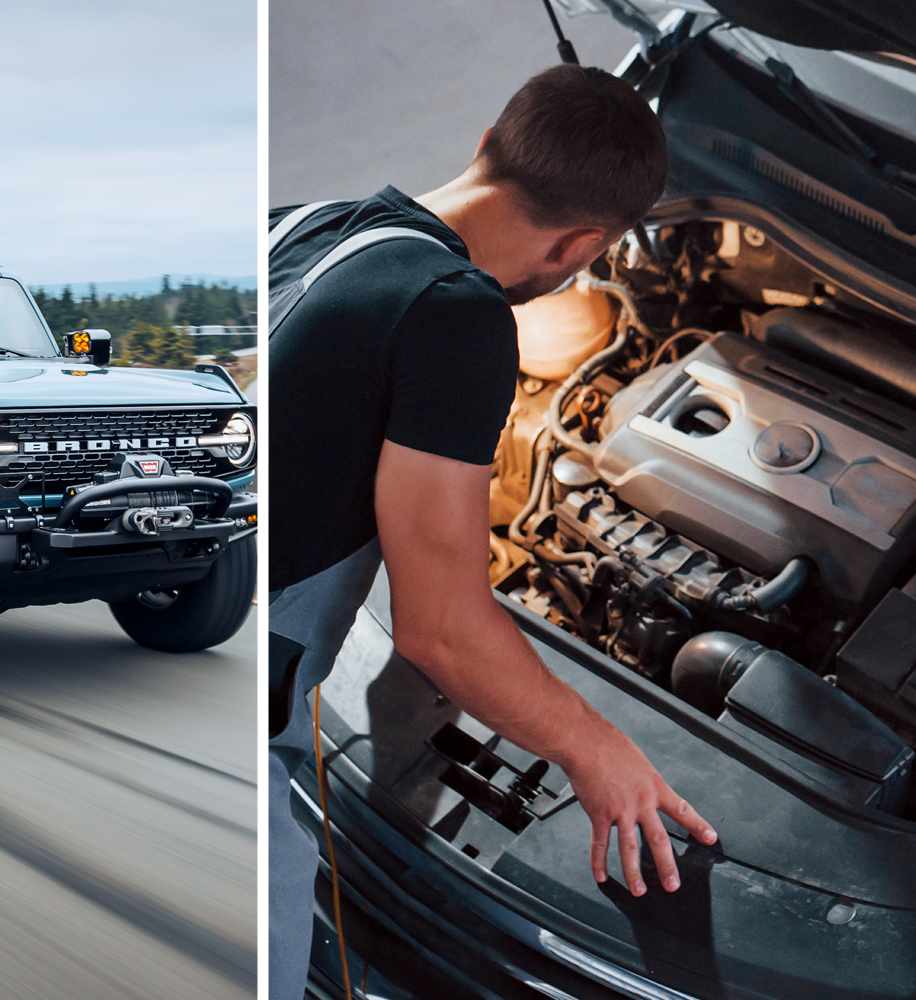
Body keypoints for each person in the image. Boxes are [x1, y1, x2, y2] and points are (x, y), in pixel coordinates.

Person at [266, 63, 719, 999]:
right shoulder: (455, 314)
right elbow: (438, 628)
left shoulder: (299, 221)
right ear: (584, 245)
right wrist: (600, 749)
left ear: (485, 145)